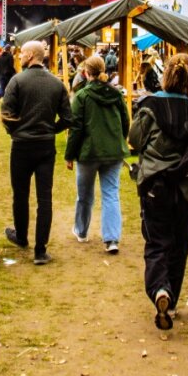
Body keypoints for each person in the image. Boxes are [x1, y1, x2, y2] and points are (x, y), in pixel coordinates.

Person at [129, 53, 188, 330]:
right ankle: (172, 299)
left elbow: (135, 140)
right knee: (180, 244)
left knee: (156, 243)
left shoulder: (149, 106)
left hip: (156, 184)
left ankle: (159, 291)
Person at [0, 40, 71, 266]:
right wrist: (52, 129)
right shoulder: (56, 84)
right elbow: (68, 118)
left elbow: (6, 113)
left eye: (22, 53)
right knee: (45, 197)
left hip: (21, 145)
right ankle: (41, 250)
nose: (19, 56)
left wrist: (16, 131)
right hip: (45, 145)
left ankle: (21, 236)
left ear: (30, 55)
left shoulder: (17, 81)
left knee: (20, 194)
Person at [64, 55, 130, 253]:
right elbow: (125, 121)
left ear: (85, 72)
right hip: (112, 151)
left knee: (84, 194)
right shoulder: (116, 94)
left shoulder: (82, 97)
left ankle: (82, 231)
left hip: (88, 153)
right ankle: (111, 239)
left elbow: (75, 129)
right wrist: (119, 140)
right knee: (111, 193)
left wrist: (70, 155)